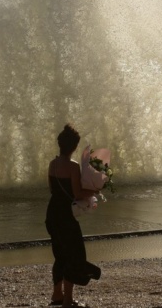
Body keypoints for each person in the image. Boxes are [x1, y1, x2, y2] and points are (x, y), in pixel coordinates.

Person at [46, 124, 101, 307]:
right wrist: (94, 190)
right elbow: (77, 193)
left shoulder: (52, 164)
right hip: (65, 216)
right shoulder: (73, 166)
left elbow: (53, 190)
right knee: (74, 255)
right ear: (75, 147)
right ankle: (68, 300)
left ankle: (57, 295)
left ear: (60, 144)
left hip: (52, 213)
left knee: (60, 254)